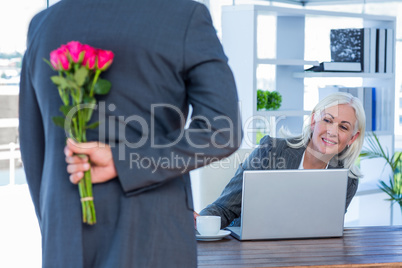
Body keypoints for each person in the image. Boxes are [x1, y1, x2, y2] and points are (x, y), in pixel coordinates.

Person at [19, 0, 242, 267]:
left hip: (64, 236)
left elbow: (34, 149)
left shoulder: (44, 24)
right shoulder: (184, 16)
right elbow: (222, 129)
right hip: (153, 236)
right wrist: (125, 161)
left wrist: (55, 225)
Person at [197, 92, 365, 229]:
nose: (332, 132)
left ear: (352, 138)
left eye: (343, 127)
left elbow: (328, 229)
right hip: (249, 251)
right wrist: (198, 224)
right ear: (314, 121)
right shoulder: (272, 150)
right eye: (327, 120)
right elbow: (225, 208)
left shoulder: (347, 180)